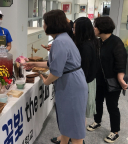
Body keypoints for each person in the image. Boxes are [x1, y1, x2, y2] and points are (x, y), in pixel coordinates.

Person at [24, 10, 88, 144]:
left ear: (51, 24)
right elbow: (54, 63)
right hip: (72, 80)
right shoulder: (64, 38)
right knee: (67, 121)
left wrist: (47, 81)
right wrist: (34, 63)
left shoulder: (59, 42)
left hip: (71, 84)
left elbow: (57, 71)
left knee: (74, 126)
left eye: (44, 22)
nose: (43, 26)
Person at [51, 17, 98, 144]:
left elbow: (81, 68)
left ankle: (77, 139)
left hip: (82, 83)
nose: (73, 31)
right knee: (75, 115)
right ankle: (67, 137)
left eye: (75, 28)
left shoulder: (85, 46)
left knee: (76, 116)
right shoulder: (89, 42)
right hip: (85, 82)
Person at [87, 17, 127, 143]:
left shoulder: (116, 42)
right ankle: (97, 121)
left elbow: (121, 62)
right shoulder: (98, 42)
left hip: (112, 81)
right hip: (98, 80)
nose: (94, 28)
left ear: (102, 28)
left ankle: (115, 131)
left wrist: (121, 78)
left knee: (112, 106)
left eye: (96, 26)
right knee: (97, 102)